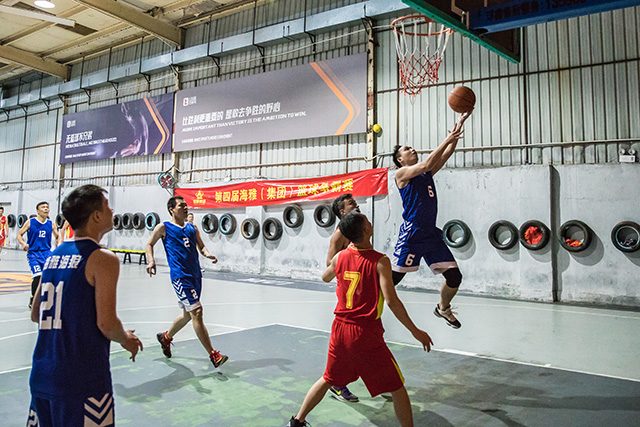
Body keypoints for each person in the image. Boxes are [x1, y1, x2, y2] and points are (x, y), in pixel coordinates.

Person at [288, 212, 433, 427]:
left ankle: (297, 421)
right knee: (397, 387)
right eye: (368, 221)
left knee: (328, 378)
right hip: (364, 333)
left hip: (339, 330)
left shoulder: (340, 257)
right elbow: (392, 301)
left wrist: (339, 260)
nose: (371, 223)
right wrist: (415, 331)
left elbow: (325, 277)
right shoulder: (380, 261)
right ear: (366, 230)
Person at [28, 184, 143, 427]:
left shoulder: (53, 256)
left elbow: (36, 313)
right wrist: (126, 339)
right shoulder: (102, 258)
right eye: (107, 206)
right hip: (81, 379)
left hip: (42, 374)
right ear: (96, 216)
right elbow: (106, 323)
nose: (112, 211)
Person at [391, 112, 471, 329]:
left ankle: (443, 308)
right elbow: (427, 163)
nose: (412, 150)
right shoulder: (401, 174)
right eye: (407, 149)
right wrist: (447, 138)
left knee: (454, 277)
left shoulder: (424, 175)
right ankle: (366, 304)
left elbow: (445, 155)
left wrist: (458, 127)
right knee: (393, 280)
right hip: (413, 233)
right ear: (400, 160)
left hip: (430, 234)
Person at [146, 196, 228, 368]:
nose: (185, 207)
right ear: (171, 210)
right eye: (181, 205)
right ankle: (213, 355)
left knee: (187, 314)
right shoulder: (163, 227)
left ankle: (166, 337)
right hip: (180, 276)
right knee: (197, 311)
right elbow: (149, 244)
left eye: (186, 205)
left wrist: (207, 254)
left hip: (195, 275)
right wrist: (151, 260)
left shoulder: (192, 227)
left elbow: (201, 246)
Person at [323, 193, 361, 403]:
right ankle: (336, 382)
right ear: (342, 211)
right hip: (349, 293)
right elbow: (329, 264)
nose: (356, 205)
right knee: (349, 340)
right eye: (351, 204)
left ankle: (379, 377)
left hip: (362, 289)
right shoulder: (339, 235)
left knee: (364, 337)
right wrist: (348, 261)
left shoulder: (359, 228)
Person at [17, 202, 60, 308]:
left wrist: (58, 247)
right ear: (38, 211)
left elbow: (57, 236)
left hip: (47, 253)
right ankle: (33, 299)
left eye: (47, 207)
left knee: (49, 277)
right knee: (37, 276)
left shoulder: (51, 224)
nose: (46, 209)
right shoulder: (30, 222)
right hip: (34, 254)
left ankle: (47, 298)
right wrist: (23, 244)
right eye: (43, 207)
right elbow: (19, 235)